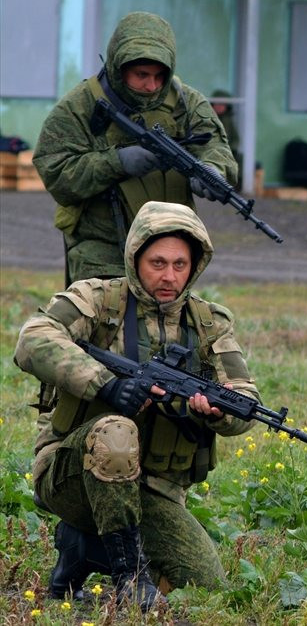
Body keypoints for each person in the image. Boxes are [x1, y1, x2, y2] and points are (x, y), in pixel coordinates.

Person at [13, 201, 258, 610]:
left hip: (153, 489)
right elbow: (33, 338)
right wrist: (106, 385)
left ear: (195, 265)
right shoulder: (98, 299)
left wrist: (221, 412)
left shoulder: (208, 323)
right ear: (134, 258)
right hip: (71, 472)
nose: (169, 276)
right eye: (157, 262)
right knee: (115, 431)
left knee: (206, 586)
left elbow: (245, 397)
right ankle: (131, 577)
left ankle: (83, 548)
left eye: (180, 264)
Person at [33, 11, 237, 284]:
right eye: (141, 74)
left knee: (166, 326)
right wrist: (117, 162)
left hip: (167, 248)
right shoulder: (80, 106)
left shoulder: (186, 103)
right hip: (102, 249)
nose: (151, 85)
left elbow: (214, 144)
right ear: (119, 66)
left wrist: (213, 171)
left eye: (159, 76)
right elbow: (55, 170)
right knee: (104, 323)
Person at [209, 89, 240, 164]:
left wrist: (229, 151)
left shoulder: (228, 120)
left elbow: (235, 139)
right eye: (217, 104)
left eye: (222, 104)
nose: (219, 106)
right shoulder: (208, 118)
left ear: (227, 106)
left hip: (226, 154)